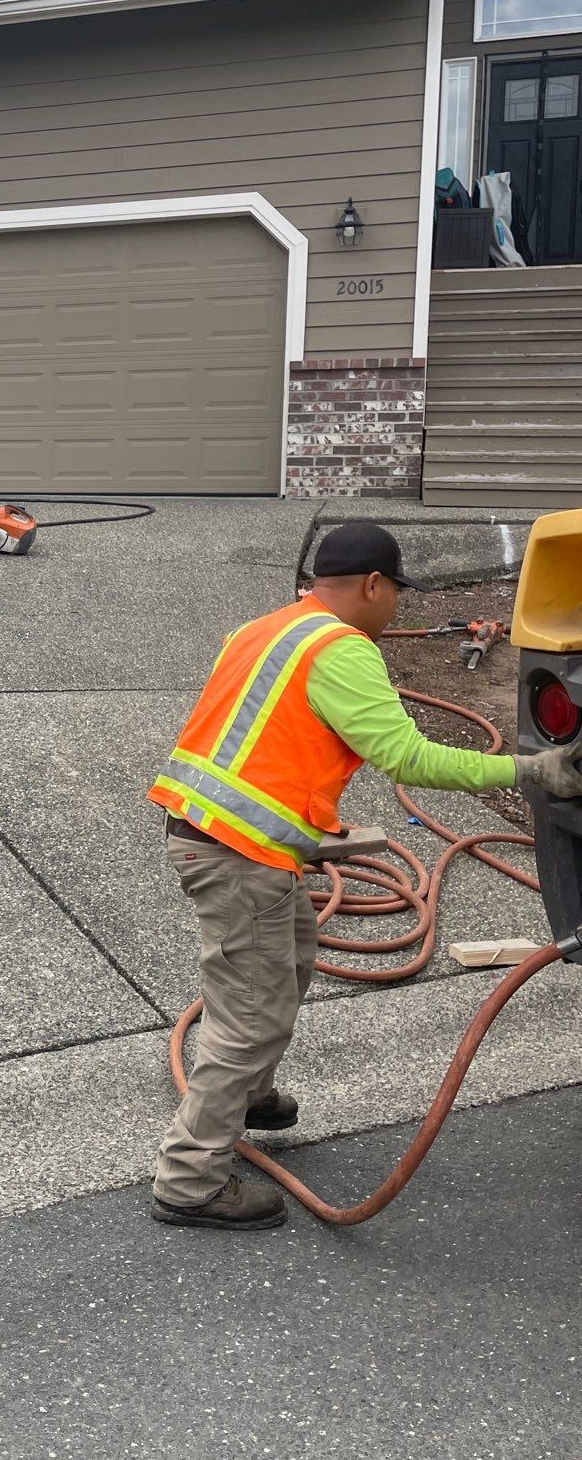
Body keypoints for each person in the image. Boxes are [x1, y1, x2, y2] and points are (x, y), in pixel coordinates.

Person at [147, 520, 582, 1232]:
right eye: (396, 593)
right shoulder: (341, 648)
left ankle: (246, 1095)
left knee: (289, 966)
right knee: (251, 1014)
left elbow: (259, 740)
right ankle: (190, 1178)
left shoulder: (264, 629)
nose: (396, 608)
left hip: (220, 835)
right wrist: (527, 769)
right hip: (236, 852)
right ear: (375, 585)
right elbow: (408, 758)